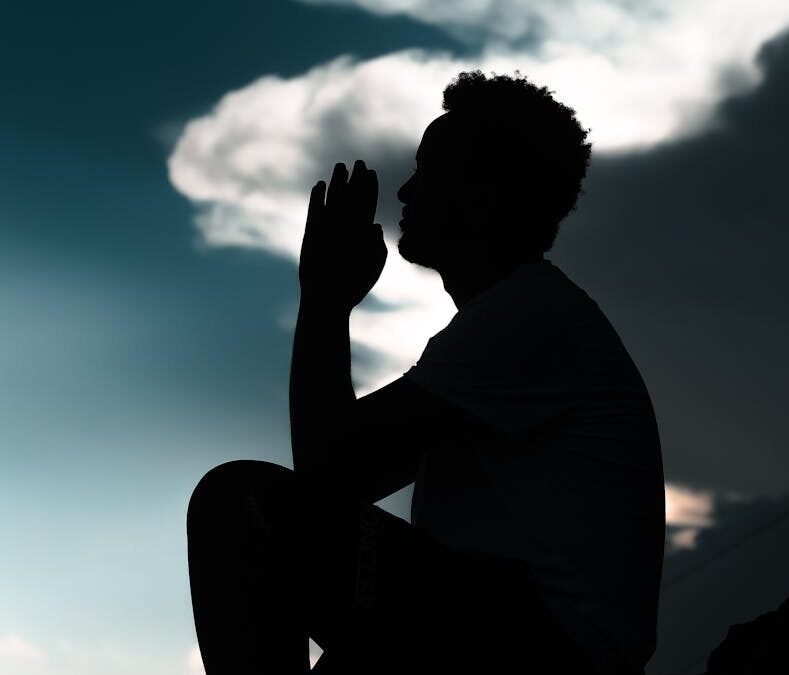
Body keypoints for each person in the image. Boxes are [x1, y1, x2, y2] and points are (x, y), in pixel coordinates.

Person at [186, 70, 665, 675]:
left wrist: (326, 300)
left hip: (542, 652)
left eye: (432, 171)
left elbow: (329, 471)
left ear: (488, 193)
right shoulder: (517, 321)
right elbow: (341, 480)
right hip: (515, 632)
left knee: (237, 501)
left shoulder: (529, 316)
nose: (408, 191)